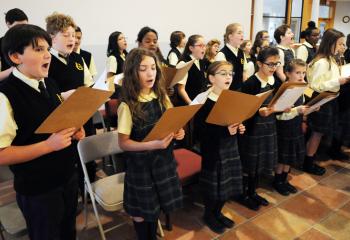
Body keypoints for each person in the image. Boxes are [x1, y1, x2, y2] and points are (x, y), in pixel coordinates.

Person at [0, 24, 84, 240]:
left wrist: (74, 129)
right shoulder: (6, 95)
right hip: (38, 189)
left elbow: (54, 124)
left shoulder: (49, 83)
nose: (47, 55)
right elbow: (2, 153)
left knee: (68, 232)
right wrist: (49, 145)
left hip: (66, 176)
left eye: (47, 49)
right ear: (15, 56)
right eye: (38, 50)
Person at [117, 48, 183, 240]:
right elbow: (124, 144)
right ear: (132, 73)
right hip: (141, 168)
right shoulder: (127, 105)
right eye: (143, 69)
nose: (150, 73)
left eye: (153, 68)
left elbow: (172, 124)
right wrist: (152, 145)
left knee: (155, 208)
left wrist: (178, 132)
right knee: (141, 211)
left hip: (162, 163)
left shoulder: (162, 97)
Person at [195, 61, 245, 234]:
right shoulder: (204, 100)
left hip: (230, 147)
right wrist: (225, 130)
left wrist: (239, 126)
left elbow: (234, 119)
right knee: (213, 186)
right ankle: (209, 214)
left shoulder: (231, 97)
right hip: (213, 150)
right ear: (211, 78)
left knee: (227, 182)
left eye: (230, 73)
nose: (228, 77)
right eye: (223, 73)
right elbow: (201, 131)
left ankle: (218, 212)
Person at [239, 47, 283, 210]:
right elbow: (242, 111)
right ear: (259, 63)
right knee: (250, 163)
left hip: (269, 126)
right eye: (269, 64)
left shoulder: (275, 81)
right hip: (253, 129)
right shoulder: (251, 83)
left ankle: (253, 192)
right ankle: (245, 193)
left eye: (276, 64)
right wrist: (258, 111)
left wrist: (281, 108)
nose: (273, 68)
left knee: (260, 162)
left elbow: (276, 103)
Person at [305, 28, 350, 175]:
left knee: (319, 134)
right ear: (331, 43)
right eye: (340, 44)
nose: (343, 47)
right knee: (316, 133)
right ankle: (308, 162)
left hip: (329, 99)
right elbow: (316, 85)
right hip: (322, 100)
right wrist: (338, 80)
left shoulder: (331, 59)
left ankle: (310, 159)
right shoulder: (322, 62)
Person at [274, 59, 309, 196]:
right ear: (288, 73)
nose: (301, 76)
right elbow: (280, 115)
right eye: (298, 73)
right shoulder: (285, 89)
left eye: (303, 73)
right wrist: (297, 111)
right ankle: (278, 181)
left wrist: (309, 110)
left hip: (295, 126)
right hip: (285, 127)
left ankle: (284, 180)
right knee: (283, 156)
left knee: (290, 155)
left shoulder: (300, 87)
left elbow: (300, 108)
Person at [215, 23, 248, 90]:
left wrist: (246, 88)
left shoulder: (241, 53)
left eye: (242, 33)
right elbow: (220, 78)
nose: (242, 35)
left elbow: (244, 72)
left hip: (240, 90)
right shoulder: (222, 54)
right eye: (239, 33)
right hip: (227, 91)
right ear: (230, 36)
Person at [0, 8, 28, 80]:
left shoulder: (31, 41)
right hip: (8, 85)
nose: (22, 30)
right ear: (8, 24)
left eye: (25, 26)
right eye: (18, 26)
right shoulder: (1, 43)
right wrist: (13, 70)